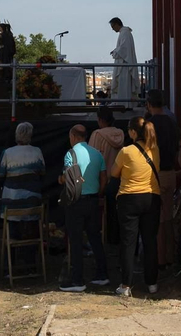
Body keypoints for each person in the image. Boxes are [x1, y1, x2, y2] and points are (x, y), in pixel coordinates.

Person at [110, 116, 161, 298]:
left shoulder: (126, 151)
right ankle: (152, 283)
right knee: (150, 241)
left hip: (129, 199)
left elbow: (114, 173)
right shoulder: (155, 149)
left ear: (132, 132)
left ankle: (126, 284)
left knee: (128, 243)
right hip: (152, 198)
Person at [58, 123, 110, 292]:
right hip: (93, 200)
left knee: (75, 239)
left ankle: (77, 279)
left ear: (73, 136)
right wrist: (99, 194)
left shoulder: (70, 154)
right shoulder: (97, 154)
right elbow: (104, 178)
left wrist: (60, 180)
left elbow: (67, 177)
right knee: (95, 237)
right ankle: (102, 274)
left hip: (76, 201)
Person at [144, 89, 181, 265]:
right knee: (168, 217)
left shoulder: (149, 125)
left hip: (155, 175)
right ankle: (170, 256)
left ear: (149, 104)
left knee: (157, 220)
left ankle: (159, 260)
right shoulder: (172, 121)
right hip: (171, 174)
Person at [90, 106, 126, 243]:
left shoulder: (97, 135)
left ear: (100, 119)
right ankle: (115, 238)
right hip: (118, 179)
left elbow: (92, 159)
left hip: (102, 180)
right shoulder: (120, 134)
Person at [0, 121, 45, 210]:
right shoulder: (37, 151)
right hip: (32, 200)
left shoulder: (7, 153)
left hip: (10, 200)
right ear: (30, 135)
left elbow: (1, 175)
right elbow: (42, 173)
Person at [109, 17, 138, 102]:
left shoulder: (125, 33)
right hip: (123, 64)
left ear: (117, 24)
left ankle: (125, 104)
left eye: (113, 27)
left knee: (124, 85)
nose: (113, 29)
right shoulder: (124, 33)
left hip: (124, 65)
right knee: (123, 86)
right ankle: (123, 103)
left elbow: (124, 49)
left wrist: (115, 52)